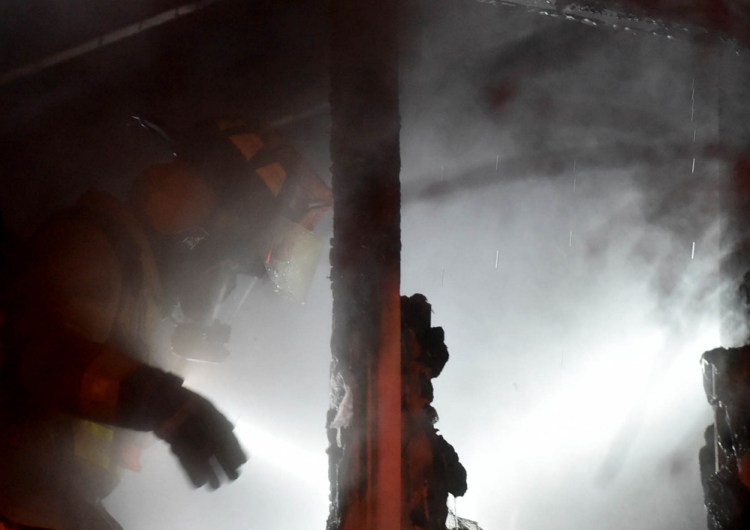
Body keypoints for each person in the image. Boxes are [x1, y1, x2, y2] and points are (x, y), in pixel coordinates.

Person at [0, 117, 332, 529]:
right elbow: (45, 359)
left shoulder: (135, 286)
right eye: (230, 260)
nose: (224, 285)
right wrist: (163, 405)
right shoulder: (91, 247)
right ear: (199, 221)